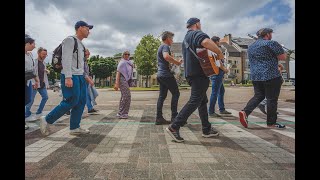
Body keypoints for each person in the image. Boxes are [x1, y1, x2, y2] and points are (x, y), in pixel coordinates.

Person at [165, 18, 224, 142]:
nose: (201, 25)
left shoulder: (186, 38)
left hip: (191, 73)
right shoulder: (196, 33)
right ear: (197, 24)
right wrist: (219, 52)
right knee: (195, 100)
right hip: (199, 74)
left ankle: (206, 129)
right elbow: (206, 42)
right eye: (200, 24)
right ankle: (174, 127)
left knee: (202, 101)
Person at [40, 20, 94, 135]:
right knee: (70, 101)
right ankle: (47, 119)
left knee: (81, 101)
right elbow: (66, 59)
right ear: (79, 28)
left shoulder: (81, 44)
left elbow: (80, 64)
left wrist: (86, 77)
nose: (89, 31)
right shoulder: (70, 40)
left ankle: (74, 127)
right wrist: (68, 77)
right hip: (71, 75)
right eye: (87, 28)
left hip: (79, 76)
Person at [239, 28, 287, 129]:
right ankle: (271, 123)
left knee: (258, 96)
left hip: (256, 76)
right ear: (268, 35)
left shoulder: (251, 46)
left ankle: (245, 112)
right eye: (271, 34)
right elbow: (283, 57)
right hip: (271, 75)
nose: (271, 35)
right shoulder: (271, 43)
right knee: (271, 100)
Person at [155, 31, 182, 125]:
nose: (172, 40)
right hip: (166, 75)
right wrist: (177, 62)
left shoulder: (161, 47)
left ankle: (159, 118)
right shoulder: (165, 46)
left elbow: (165, 59)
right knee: (176, 94)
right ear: (167, 39)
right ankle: (174, 117)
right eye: (171, 38)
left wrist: (172, 61)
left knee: (162, 96)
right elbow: (166, 56)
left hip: (160, 75)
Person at [208, 36, 231, 117]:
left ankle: (222, 109)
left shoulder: (211, 48)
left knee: (221, 91)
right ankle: (211, 111)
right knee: (215, 93)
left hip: (215, 73)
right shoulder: (213, 49)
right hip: (217, 73)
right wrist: (225, 69)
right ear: (217, 41)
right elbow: (217, 62)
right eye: (219, 41)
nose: (220, 43)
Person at [25, 47, 50, 121]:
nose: (44, 56)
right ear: (39, 53)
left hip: (42, 84)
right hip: (35, 84)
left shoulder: (44, 63)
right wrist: (33, 82)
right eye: (43, 54)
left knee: (45, 97)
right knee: (30, 100)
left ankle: (39, 112)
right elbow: (32, 73)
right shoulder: (34, 61)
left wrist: (47, 71)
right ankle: (26, 113)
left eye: (46, 54)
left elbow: (43, 74)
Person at [114, 50, 134, 119]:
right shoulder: (122, 62)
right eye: (125, 54)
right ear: (123, 55)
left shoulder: (129, 63)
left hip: (126, 80)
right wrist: (117, 83)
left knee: (126, 96)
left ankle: (124, 113)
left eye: (128, 54)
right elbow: (118, 73)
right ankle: (120, 113)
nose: (127, 55)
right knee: (126, 96)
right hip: (122, 80)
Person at [25, 35, 39, 130]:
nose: (34, 46)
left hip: (28, 80)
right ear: (27, 43)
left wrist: (36, 80)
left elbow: (32, 69)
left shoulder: (30, 54)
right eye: (33, 44)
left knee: (28, 99)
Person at [83, 48, 98, 114]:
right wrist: (89, 79)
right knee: (86, 94)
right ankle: (89, 108)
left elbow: (86, 72)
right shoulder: (82, 61)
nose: (89, 54)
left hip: (86, 80)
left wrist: (89, 77)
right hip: (83, 80)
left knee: (87, 94)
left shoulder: (85, 61)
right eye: (87, 53)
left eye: (89, 53)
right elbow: (83, 72)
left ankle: (90, 108)